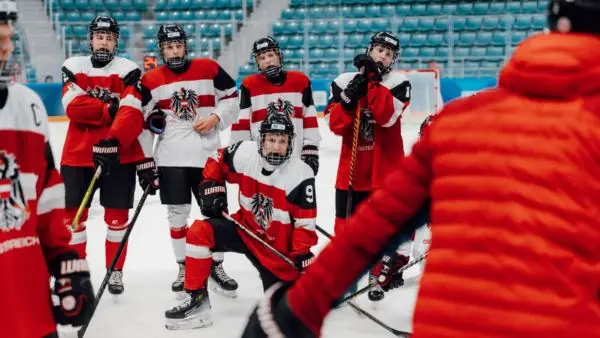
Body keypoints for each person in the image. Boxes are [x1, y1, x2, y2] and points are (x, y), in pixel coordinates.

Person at [241, 0, 600, 336]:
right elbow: (336, 124)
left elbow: (375, 223)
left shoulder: (460, 119)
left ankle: (389, 268)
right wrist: (354, 90)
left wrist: (295, 308)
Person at [117, 24, 240, 297]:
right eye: (168, 47)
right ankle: (184, 266)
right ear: (161, 50)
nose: (174, 51)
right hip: (171, 158)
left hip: (208, 157)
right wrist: (146, 161)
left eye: (178, 45)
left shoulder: (208, 68)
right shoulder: (151, 80)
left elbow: (233, 96)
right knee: (177, 216)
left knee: (215, 212)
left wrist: (217, 117)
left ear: (185, 45)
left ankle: (216, 265)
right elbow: (143, 123)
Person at [164, 112, 318, 330]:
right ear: (261, 140)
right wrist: (211, 184)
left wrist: (301, 252)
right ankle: (197, 301)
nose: (276, 147)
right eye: (271, 140)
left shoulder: (301, 174)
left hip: (275, 251)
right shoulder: (246, 153)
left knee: (281, 318)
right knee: (199, 232)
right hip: (244, 230)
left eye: (282, 141)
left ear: (291, 143)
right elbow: (216, 159)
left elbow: (305, 223)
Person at [0, 2, 95, 337]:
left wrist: (65, 258)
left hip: (30, 306)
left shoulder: (28, 106)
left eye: (7, 37)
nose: (5, 47)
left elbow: (46, 199)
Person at [60, 15, 154, 295]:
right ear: (90, 39)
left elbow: (132, 113)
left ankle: (115, 271)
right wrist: (109, 108)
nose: (104, 41)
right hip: (77, 156)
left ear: (116, 42)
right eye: (99, 36)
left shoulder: (128, 68)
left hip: (118, 156)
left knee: (116, 220)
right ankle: (77, 274)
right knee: (73, 220)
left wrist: (113, 139)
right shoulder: (72, 65)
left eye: (110, 37)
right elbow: (72, 107)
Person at [324, 31, 413, 301]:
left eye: (389, 53)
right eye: (379, 50)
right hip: (352, 170)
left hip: (385, 171)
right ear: (370, 50)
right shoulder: (343, 81)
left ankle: (380, 271)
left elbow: (386, 118)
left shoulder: (399, 83)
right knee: (346, 224)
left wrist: (372, 83)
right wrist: (349, 99)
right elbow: (336, 125)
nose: (383, 56)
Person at [230, 36, 320, 175]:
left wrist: (310, 151)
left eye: (271, 55)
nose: (267, 60)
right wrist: (240, 154)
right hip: (261, 162)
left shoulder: (300, 82)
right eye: (262, 58)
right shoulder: (249, 85)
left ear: (279, 55)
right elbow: (241, 124)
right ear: (257, 63)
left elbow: (310, 119)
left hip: (295, 160)